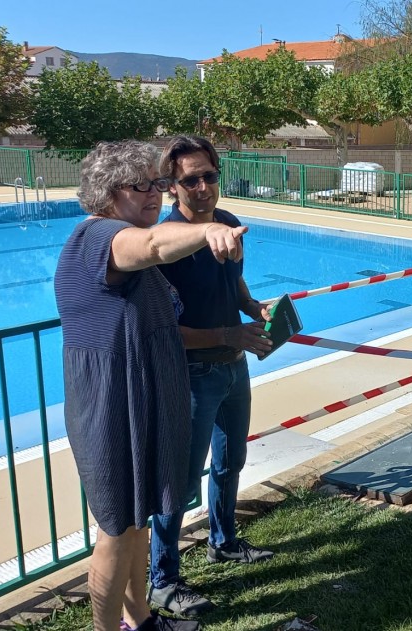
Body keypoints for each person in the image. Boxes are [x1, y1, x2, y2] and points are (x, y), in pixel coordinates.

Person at [55, 140, 246, 631]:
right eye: (141, 186)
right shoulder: (100, 237)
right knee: (117, 529)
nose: (153, 196)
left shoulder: (126, 234)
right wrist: (206, 230)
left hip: (146, 397)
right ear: (106, 190)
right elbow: (155, 245)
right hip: (114, 403)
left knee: (137, 523)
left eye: (156, 185)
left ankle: (138, 619)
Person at [147, 135, 275, 617]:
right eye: (190, 179)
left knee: (230, 462)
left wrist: (252, 306)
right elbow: (166, 333)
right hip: (194, 375)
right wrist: (229, 333)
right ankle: (164, 580)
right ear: (172, 187)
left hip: (232, 369)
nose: (202, 186)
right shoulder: (163, 245)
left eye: (209, 175)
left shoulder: (225, 224)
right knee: (179, 483)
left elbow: (233, 281)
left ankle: (223, 541)